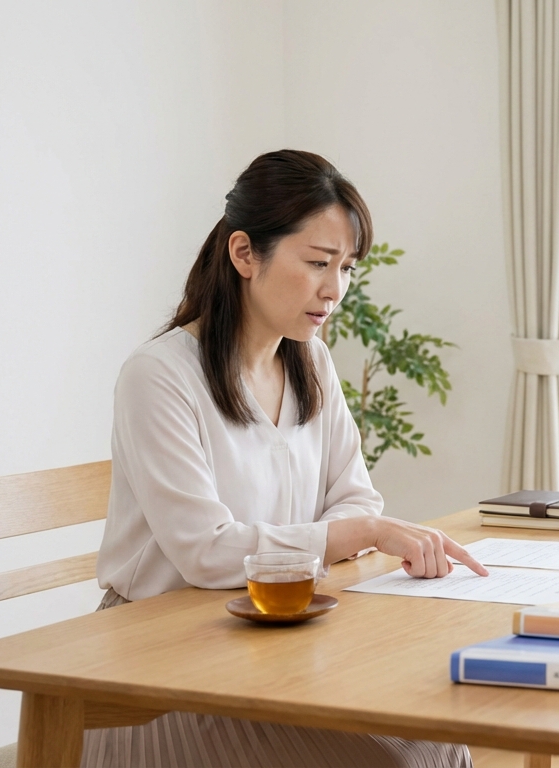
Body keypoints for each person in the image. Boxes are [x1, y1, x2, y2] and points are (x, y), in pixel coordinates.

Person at [90, 149, 486, 767]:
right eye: (318, 263)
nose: (336, 290)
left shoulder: (309, 362)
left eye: (347, 268)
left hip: (266, 657)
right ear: (245, 254)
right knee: (404, 760)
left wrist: (357, 526)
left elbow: (354, 495)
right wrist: (358, 533)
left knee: (439, 741)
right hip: (158, 677)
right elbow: (206, 551)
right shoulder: (159, 377)